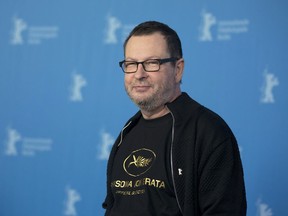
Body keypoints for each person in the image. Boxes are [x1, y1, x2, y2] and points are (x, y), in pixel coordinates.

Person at [102, 21, 246, 216]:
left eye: (152, 63)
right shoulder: (127, 134)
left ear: (178, 69)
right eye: (131, 64)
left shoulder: (209, 132)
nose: (139, 74)